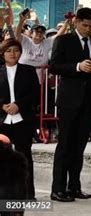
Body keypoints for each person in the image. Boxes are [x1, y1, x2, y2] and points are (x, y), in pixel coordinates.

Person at [49, 7, 91, 202]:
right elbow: (54, 66)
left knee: (80, 145)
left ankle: (74, 186)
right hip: (68, 100)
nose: (88, 29)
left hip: (88, 100)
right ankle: (58, 188)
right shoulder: (63, 40)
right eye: (84, 25)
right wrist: (77, 67)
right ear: (76, 22)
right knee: (65, 144)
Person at [0, 39, 40, 200]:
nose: (13, 54)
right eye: (9, 51)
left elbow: (34, 93)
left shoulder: (28, 70)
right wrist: (2, 106)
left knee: (25, 158)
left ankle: (28, 194)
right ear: (3, 54)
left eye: (16, 50)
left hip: (22, 119)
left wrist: (18, 105)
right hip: (2, 120)